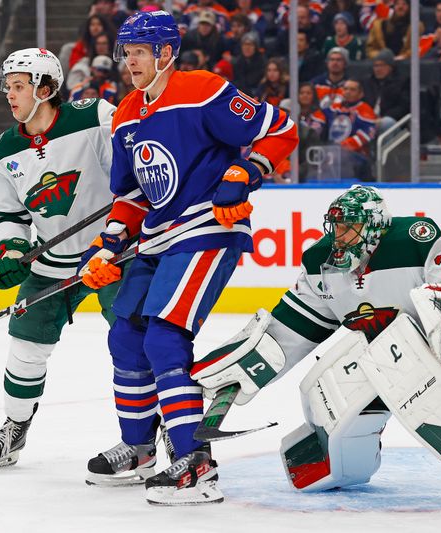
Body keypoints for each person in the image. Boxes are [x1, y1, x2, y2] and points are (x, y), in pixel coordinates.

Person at [191, 184, 441, 511]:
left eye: (349, 227)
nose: (339, 236)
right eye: (335, 227)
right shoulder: (322, 262)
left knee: (417, 378)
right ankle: (331, 460)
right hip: (395, 354)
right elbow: (293, 327)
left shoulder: (414, 239)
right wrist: (247, 364)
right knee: (337, 382)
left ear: (376, 228)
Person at [78, 10, 297, 506]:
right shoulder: (128, 113)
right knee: (125, 336)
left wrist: (245, 173)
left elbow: (281, 130)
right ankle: (138, 450)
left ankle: (195, 465)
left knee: (164, 336)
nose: (128, 61)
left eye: (138, 51)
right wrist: (106, 244)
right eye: (126, 52)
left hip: (206, 231)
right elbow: (132, 196)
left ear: (165, 52)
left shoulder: (203, 88)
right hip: (157, 238)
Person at [0, 48, 118, 470]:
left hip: (113, 254)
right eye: (9, 87)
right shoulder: (0, 153)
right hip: (52, 261)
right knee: (25, 344)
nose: (10, 95)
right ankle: (15, 427)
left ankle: (152, 433)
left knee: (136, 343)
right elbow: (6, 215)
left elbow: (131, 170)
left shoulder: (94, 118)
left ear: (47, 88)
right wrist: (11, 248)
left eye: (19, 86)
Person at [322, 78, 377, 180]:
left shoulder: (365, 109)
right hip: (332, 151)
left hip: (357, 154)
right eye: (346, 89)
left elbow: (367, 133)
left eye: (352, 90)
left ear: (360, 94)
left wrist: (344, 146)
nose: (348, 92)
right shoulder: (335, 107)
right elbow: (320, 118)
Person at [361, 48, 408, 134]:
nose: (378, 69)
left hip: (392, 120)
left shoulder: (402, 82)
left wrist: (383, 118)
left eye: (382, 65)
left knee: (386, 123)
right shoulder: (367, 82)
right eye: (375, 66)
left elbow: (403, 107)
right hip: (368, 118)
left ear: (391, 67)